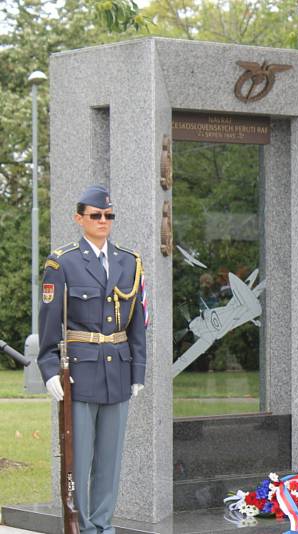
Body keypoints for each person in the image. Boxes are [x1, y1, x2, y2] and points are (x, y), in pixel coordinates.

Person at [38, 185, 147, 534]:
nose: (103, 221)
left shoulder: (129, 261)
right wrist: (50, 369)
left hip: (118, 369)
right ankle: (81, 527)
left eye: (108, 215)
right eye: (96, 215)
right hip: (79, 375)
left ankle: (103, 525)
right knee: (79, 459)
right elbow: (49, 323)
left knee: (109, 460)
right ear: (79, 219)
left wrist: (138, 370)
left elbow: (136, 323)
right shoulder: (63, 262)